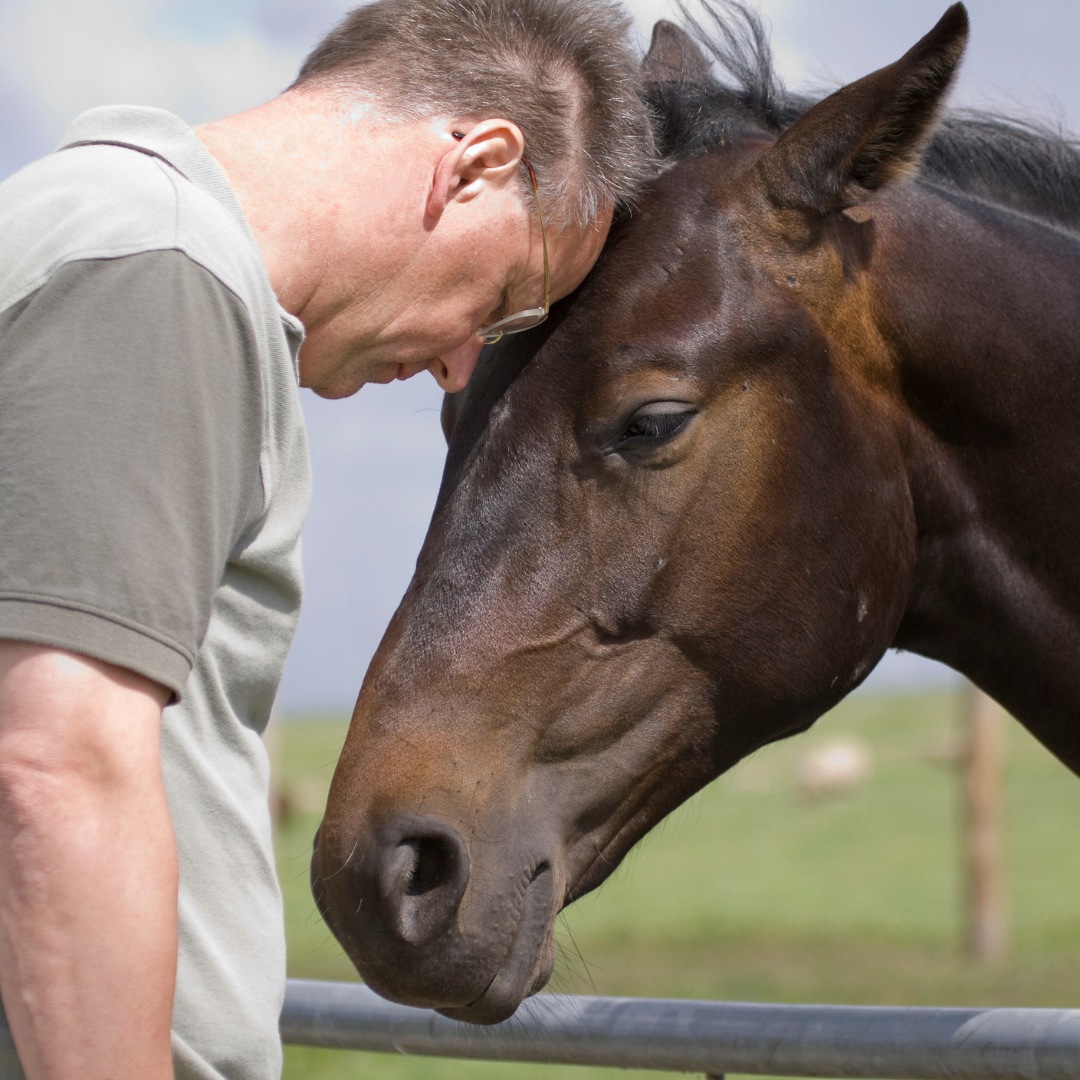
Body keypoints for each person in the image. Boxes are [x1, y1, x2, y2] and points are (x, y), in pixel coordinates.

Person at [0, 0, 657, 1077]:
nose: (458, 367)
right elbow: (55, 766)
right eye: (501, 301)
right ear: (476, 164)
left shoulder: (97, 235)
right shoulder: (160, 271)